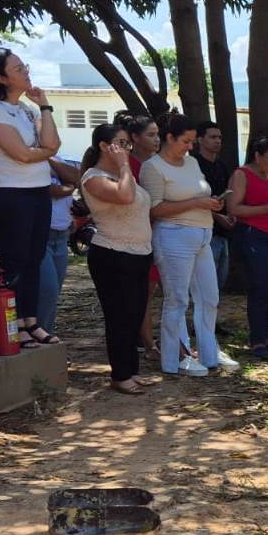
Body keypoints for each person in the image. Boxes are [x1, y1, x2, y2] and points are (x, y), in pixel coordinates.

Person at [0, 47, 62, 348]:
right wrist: (42, 153)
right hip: (7, 192)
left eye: (25, 66)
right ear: (0, 77)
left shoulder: (26, 109)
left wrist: (44, 106)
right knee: (16, 259)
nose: (26, 72)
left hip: (37, 190)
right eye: (18, 69)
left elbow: (52, 144)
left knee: (33, 258)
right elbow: (20, 153)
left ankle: (30, 322)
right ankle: (14, 324)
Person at [139, 113, 239, 377]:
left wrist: (212, 204)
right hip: (173, 236)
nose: (190, 146)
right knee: (178, 299)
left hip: (203, 233)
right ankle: (175, 358)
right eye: (186, 141)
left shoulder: (192, 162)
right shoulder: (153, 167)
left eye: (193, 141)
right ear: (169, 138)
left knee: (209, 297)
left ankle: (209, 352)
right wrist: (196, 203)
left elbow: (199, 194)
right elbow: (155, 208)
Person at [81, 123, 155, 394]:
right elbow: (124, 197)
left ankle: (131, 370)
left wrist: (124, 168)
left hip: (139, 253)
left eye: (128, 144)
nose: (127, 149)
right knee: (119, 317)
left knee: (134, 315)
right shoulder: (94, 176)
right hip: (112, 254)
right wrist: (125, 165)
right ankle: (120, 375)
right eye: (121, 143)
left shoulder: (123, 175)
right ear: (104, 146)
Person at [227, 136, 268, 360]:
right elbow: (234, 208)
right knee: (259, 287)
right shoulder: (242, 174)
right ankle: (256, 340)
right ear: (257, 156)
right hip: (254, 235)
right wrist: (265, 209)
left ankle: (265, 334)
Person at [119, 113, 162, 359]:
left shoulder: (157, 163)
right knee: (139, 291)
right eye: (151, 135)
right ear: (135, 137)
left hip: (157, 233)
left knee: (149, 289)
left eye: (157, 135)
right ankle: (146, 343)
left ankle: (146, 339)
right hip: (132, 234)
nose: (156, 140)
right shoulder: (128, 166)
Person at [192, 121, 234, 310]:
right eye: (212, 137)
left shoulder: (221, 166)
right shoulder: (193, 165)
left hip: (222, 232)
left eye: (219, 137)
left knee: (218, 281)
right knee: (202, 284)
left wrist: (229, 214)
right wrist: (218, 217)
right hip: (201, 230)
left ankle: (212, 324)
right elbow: (192, 200)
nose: (217, 141)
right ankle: (198, 325)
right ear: (200, 139)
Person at [37, 158, 80, 335]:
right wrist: (69, 186)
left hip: (61, 235)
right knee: (48, 289)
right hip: (40, 235)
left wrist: (51, 159)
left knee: (53, 292)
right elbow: (51, 190)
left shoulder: (57, 159)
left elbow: (77, 177)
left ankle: (47, 335)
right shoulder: (28, 160)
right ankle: (40, 336)